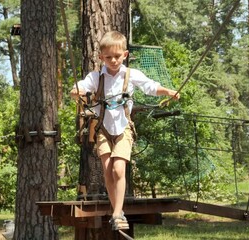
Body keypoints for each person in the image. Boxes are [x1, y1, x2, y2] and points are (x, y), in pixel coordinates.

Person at [70, 31, 180, 230]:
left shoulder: (131, 75)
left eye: (117, 56)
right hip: (103, 129)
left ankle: (118, 212)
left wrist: (168, 92)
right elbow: (82, 86)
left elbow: (150, 87)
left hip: (123, 129)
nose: (113, 60)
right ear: (101, 57)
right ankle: (116, 210)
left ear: (125, 55)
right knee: (107, 170)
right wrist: (76, 90)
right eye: (108, 57)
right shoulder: (96, 77)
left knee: (118, 169)